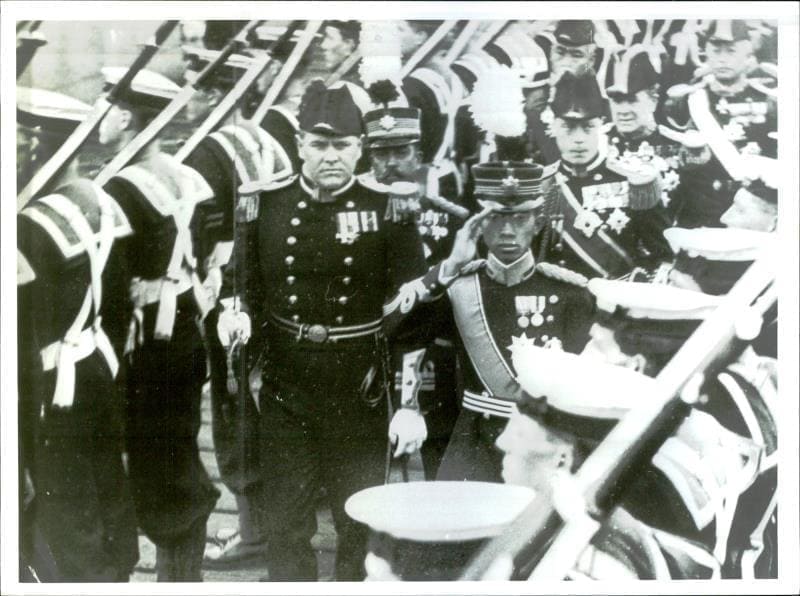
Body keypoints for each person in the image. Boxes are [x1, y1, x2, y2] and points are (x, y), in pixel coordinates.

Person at [215, 80, 429, 581]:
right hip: (288, 392)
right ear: (299, 145)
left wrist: (410, 403)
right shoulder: (263, 203)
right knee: (285, 526)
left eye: (342, 146)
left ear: (360, 148)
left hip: (361, 395)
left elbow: (411, 315)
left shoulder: (388, 208)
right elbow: (240, 283)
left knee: (358, 525)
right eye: (318, 144)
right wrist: (236, 311)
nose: (331, 156)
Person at [383, 161, 596, 483]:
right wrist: (449, 266)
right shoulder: (458, 285)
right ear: (479, 224)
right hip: (475, 439)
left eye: (520, 218)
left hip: (545, 441)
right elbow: (400, 330)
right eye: (495, 219)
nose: (508, 231)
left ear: (538, 223)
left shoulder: (570, 293)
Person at [98, 67, 220, 582]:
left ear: (125, 116)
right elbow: (215, 251)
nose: (99, 119)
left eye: (105, 108)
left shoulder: (117, 188)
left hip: (146, 343)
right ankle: (181, 570)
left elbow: (107, 288)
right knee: (177, 444)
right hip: (189, 330)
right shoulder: (191, 177)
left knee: (155, 459)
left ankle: (177, 578)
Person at [16, 88, 139, 581]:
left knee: (64, 509)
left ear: (40, 146)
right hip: (95, 364)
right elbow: (118, 303)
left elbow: (23, 336)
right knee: (106, 485)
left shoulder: (27, 226)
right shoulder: (102, 202)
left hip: (47, 385)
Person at [579, 279, 778, 578]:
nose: (583, 355)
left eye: (596, 346)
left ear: (635, 365)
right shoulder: (724, 403)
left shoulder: (653, 464)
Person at [496, 345, 722, 579]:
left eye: (518, 433)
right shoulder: (610, 528)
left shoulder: (574, 567)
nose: (500, 443)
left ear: (564, 457)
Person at [360, 80, 468, 479]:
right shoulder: (354, 215)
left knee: (438, 443)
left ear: (418, 155)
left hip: (431, 351)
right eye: (382, 154)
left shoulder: (452, 220)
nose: (391, 164)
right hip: (368, 346)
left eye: (401, 153)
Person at [542, 71, 672, 280]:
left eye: (588, 127)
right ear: (553, 126)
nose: (578, 139)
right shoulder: (541, 186)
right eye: (568, 127)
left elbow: (663, 257)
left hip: (618, 302)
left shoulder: (636, 184)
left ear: (601, 125)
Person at [663, 19, 777, 228]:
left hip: (754, 214)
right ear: (706, 52)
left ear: (747, 54)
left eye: (731, 51)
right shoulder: (687, 101)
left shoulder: (770, 103)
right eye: (716, 51)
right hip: (702, 213)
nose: (722, 59)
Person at [604, 44, 705, 223]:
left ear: (653, 102)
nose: (623, 110)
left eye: (632, 100)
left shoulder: (679, 146)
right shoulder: (598, 145)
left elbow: (697, 210)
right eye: (617, 101)